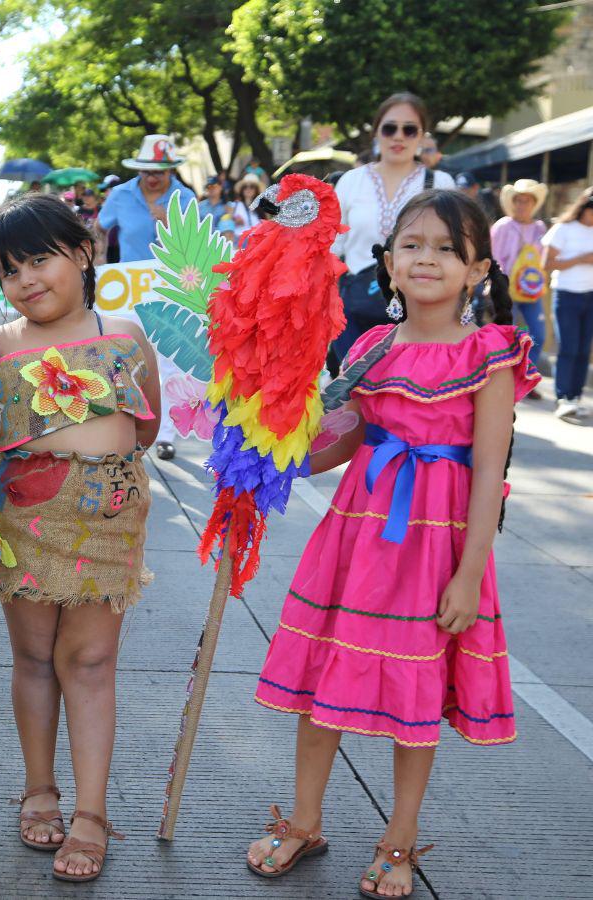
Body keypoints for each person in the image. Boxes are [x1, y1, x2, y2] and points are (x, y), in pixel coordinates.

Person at [246, 190, 538, 897]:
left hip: (437, 549)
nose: (427, 258)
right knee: (322, 682)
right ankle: (305, 820)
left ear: (477, 270)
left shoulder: (490, 353)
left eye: (447, 247)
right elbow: (344, 435)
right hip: (354, 538)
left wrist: (469, 575)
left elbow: (491, 471)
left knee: (416, 694)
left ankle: (399, 838)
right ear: (387, 261)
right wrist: (261, 459)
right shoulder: (371, 345)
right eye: (412, 244)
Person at [0, 194, 159, 883]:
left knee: (88, 663)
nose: (27, 279)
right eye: (11, 269)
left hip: (107, 518)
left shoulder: (125, 335)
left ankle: (90, 811)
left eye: (41, 259)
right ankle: (38, 789)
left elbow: (146, 428)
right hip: (24, 519)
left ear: (83, 253)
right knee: (31, 657)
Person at [330, 92, 455, 365]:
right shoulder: (351, 181)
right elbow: (331, 248)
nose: (398, 136)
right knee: (356, 396)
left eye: (409, 130)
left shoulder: (441, 182)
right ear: (377, 132)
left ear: (421, 137)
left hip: (420, 310)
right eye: (390, 128)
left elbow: (454, 249)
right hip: (353, 310)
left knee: (406, 397)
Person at [96, 133, 196, 461]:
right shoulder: (121, 195)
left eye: (161, 172)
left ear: (171, 172)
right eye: (146, 172)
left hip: (170, 290)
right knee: (120, 359)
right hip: (127, 290)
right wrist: (96, 266)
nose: (153, 178)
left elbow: (196, 245)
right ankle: (119, 431)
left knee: (167, 363)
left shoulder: (184, 197)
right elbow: (99, 229)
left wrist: (169, 223)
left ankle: (166, 435)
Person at [491, 179, 549, 396]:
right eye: (518, 200)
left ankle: (526, 380)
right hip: (506, 290)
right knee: (507, 336)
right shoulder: (502, 226)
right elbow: (493, 258)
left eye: (527, 201)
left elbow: (542, 258)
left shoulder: (539, 228)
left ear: (534, 204)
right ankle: (503, 382)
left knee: (537, 335)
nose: (522, 205)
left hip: (531, 289)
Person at [542, 185, 593, 420]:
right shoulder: (563, 228)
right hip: (567, 293)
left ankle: (575, 397)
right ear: (584, 207)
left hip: (590, 295)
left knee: (584, 350)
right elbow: (547, 264)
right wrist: (581, 259)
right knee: (568, 347)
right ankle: (562, 397)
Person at [232, 173, 264, 245]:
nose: (248, 189)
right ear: (242, 190)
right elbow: (228, 219)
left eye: (252, 187)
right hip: (239, 242)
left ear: (256, 190)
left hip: (257, 242)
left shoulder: (262, 207)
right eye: (245, 187)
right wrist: (234, 219)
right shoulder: (234, 205)